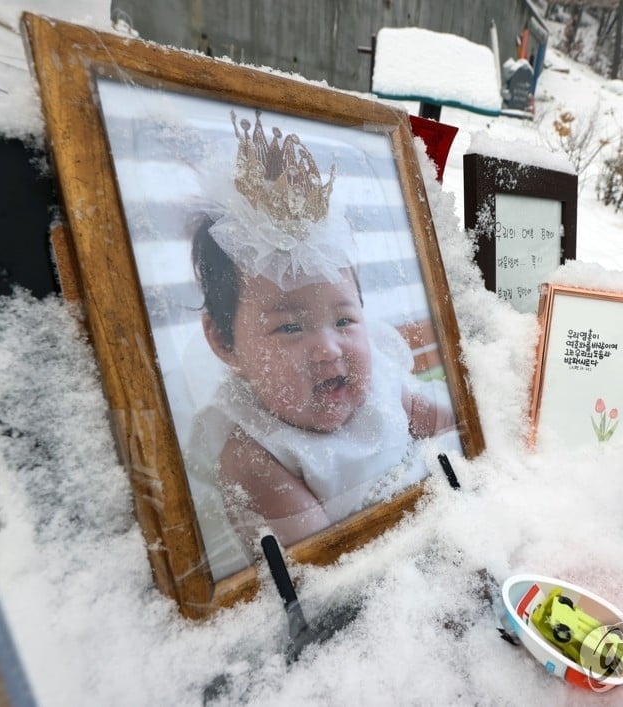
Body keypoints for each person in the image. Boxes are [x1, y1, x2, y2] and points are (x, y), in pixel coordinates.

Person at [187, 111, 456, 554]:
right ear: (224, 341)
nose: (329, 349)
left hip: (447, 531)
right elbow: (326, 565)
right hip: (384, 579)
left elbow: (446, 425)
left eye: (345, 320)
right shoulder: (256, 452)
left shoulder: (381, 387)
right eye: (290, 327)